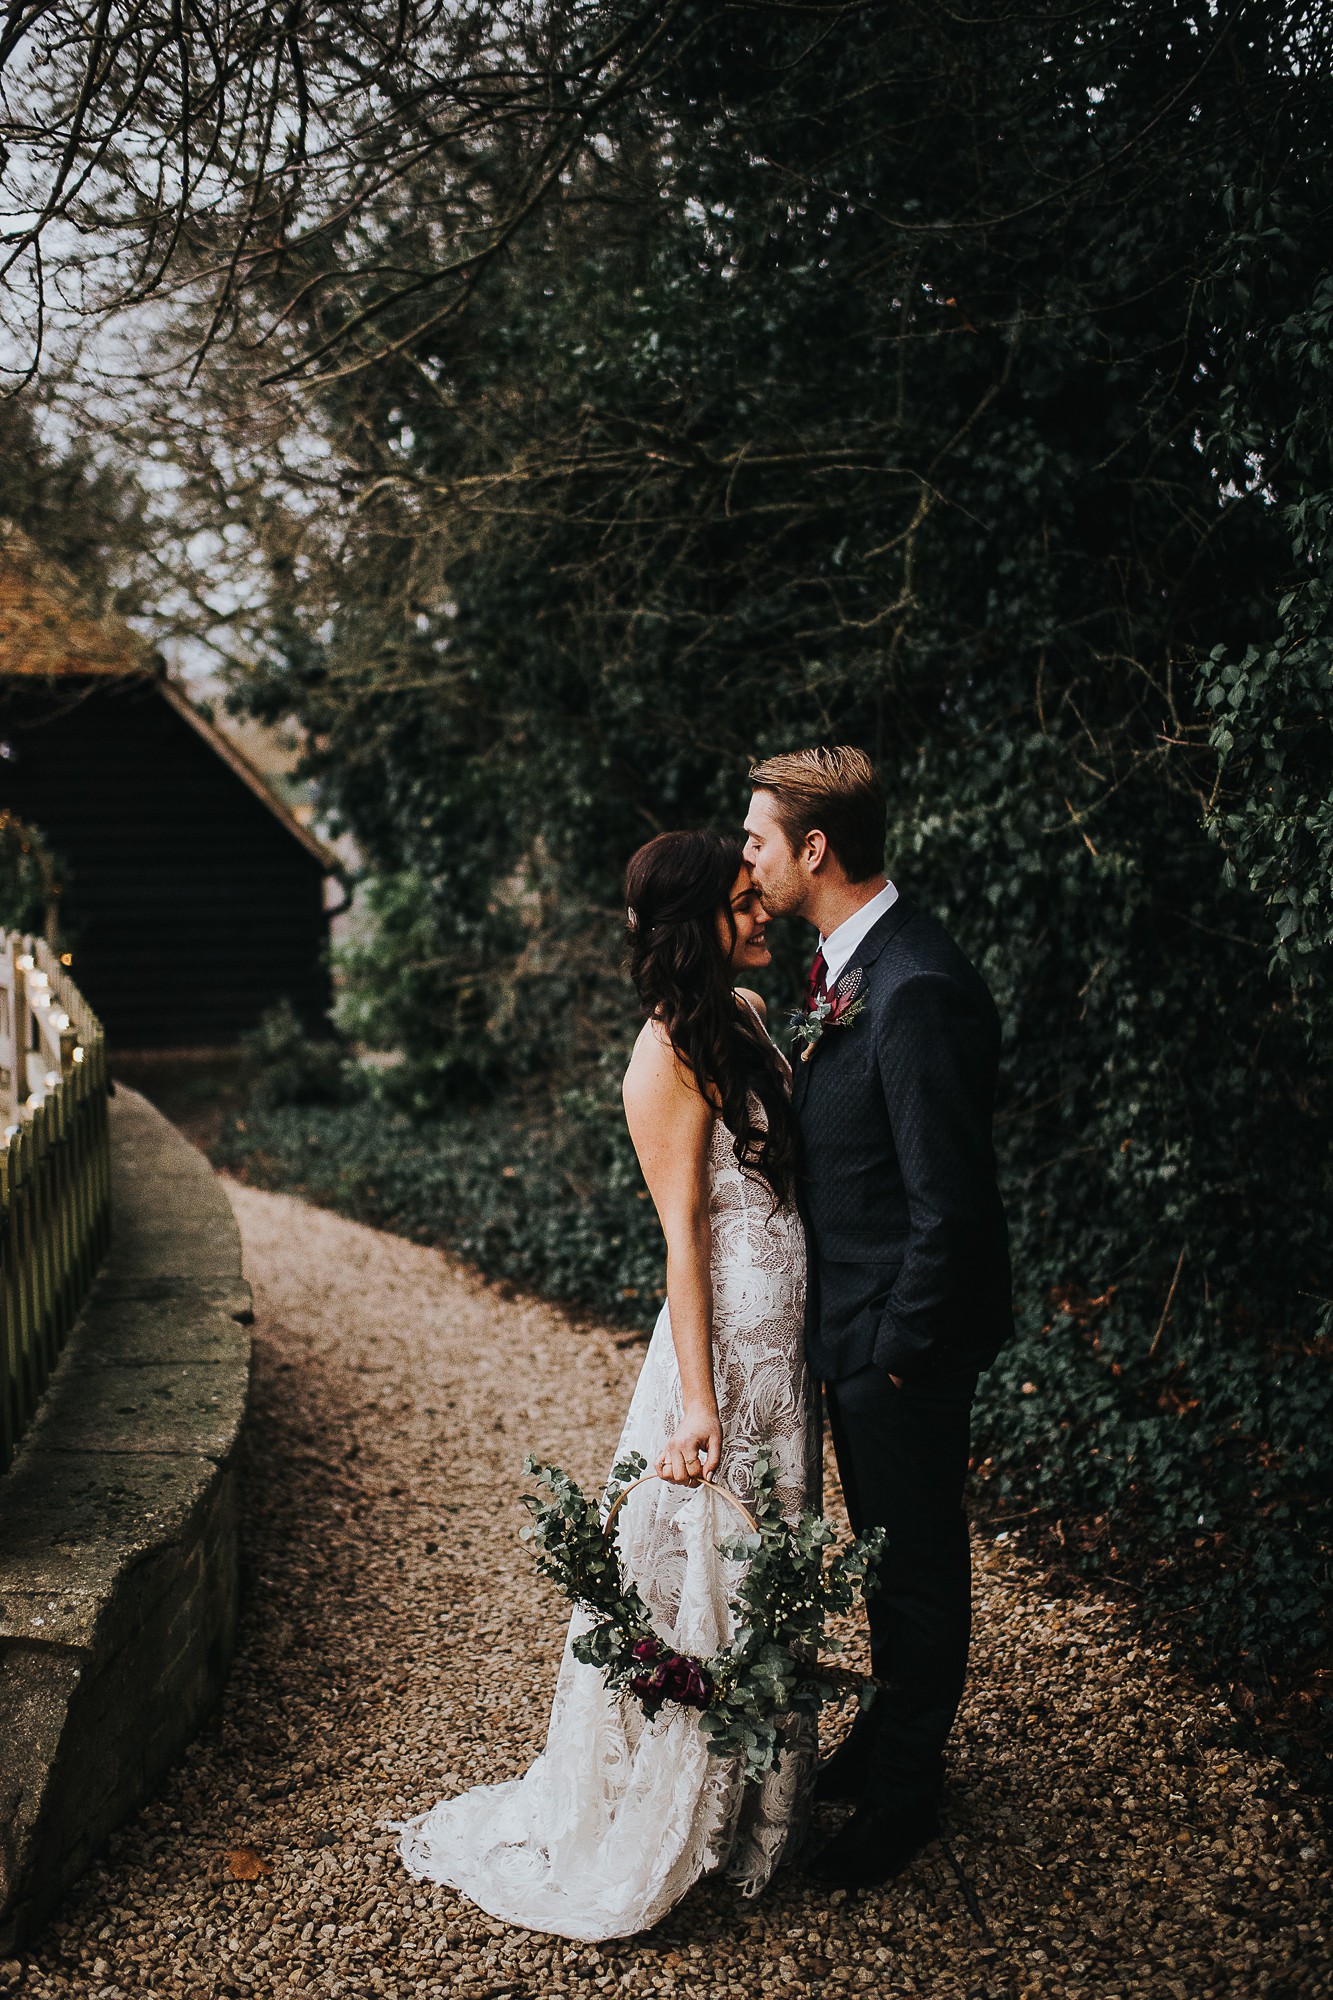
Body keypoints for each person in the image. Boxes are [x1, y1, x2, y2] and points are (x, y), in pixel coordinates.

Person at [396, 831, 817, 1939]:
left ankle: (766, 1806)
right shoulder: (660, 1061)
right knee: (704, 1573)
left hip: (787, 1347)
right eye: (742, 902)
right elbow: (683, 1238)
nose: (763, 910)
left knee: (778, 1551)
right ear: (693, 927)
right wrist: (699, 1401)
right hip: (721, 1345)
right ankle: (684, 1814)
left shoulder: (754, 1020)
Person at [743, 745, 1013, 1891]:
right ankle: (887, 1740)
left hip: (894, 1343)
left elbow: (948, 1204)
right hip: (848, 1329)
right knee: (883, 1556)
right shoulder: (838, 969)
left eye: (757, 838)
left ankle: (907, 1794)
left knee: (914, 1568)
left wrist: (897, 1354)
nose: (745, 857)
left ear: (815, 849)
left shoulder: (913, 985)